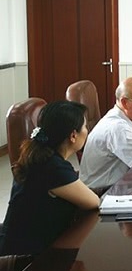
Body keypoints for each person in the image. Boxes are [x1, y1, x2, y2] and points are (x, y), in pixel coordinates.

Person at [0, 101, 100, 256]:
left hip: (17, 244)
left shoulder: (41, 157)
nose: (87, 131)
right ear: (73, 135)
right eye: (85, 127)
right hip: (25, 259)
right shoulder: (53, 168)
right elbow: (94, 202)